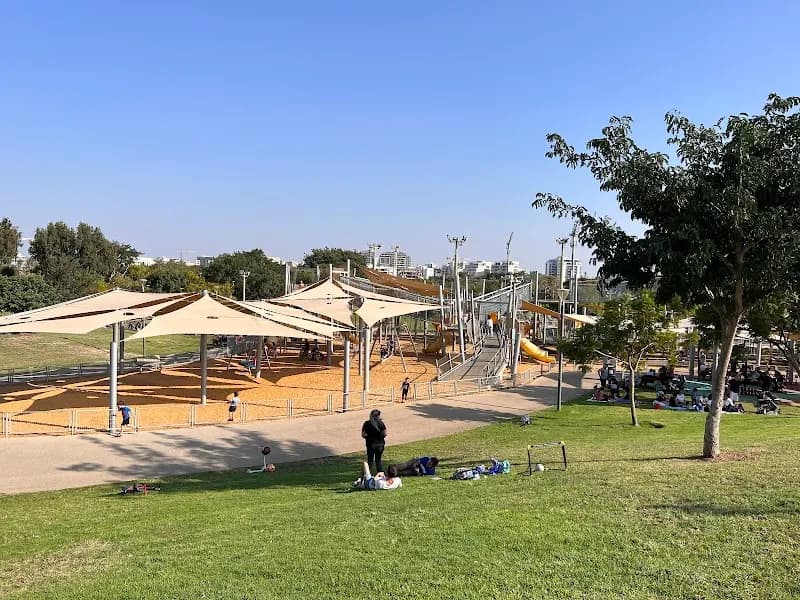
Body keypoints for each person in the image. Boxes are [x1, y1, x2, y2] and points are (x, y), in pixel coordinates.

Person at [361, 409, 387, 473]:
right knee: (378, 460)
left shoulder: (367, 423)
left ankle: (368, 473)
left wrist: (367, 437)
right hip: (380, 444)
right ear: (378, 416)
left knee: (370, 460)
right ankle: (380, 473)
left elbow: (363, 434)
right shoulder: (381, 423)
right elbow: (385, 433)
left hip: (370, 444)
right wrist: (381, 437)